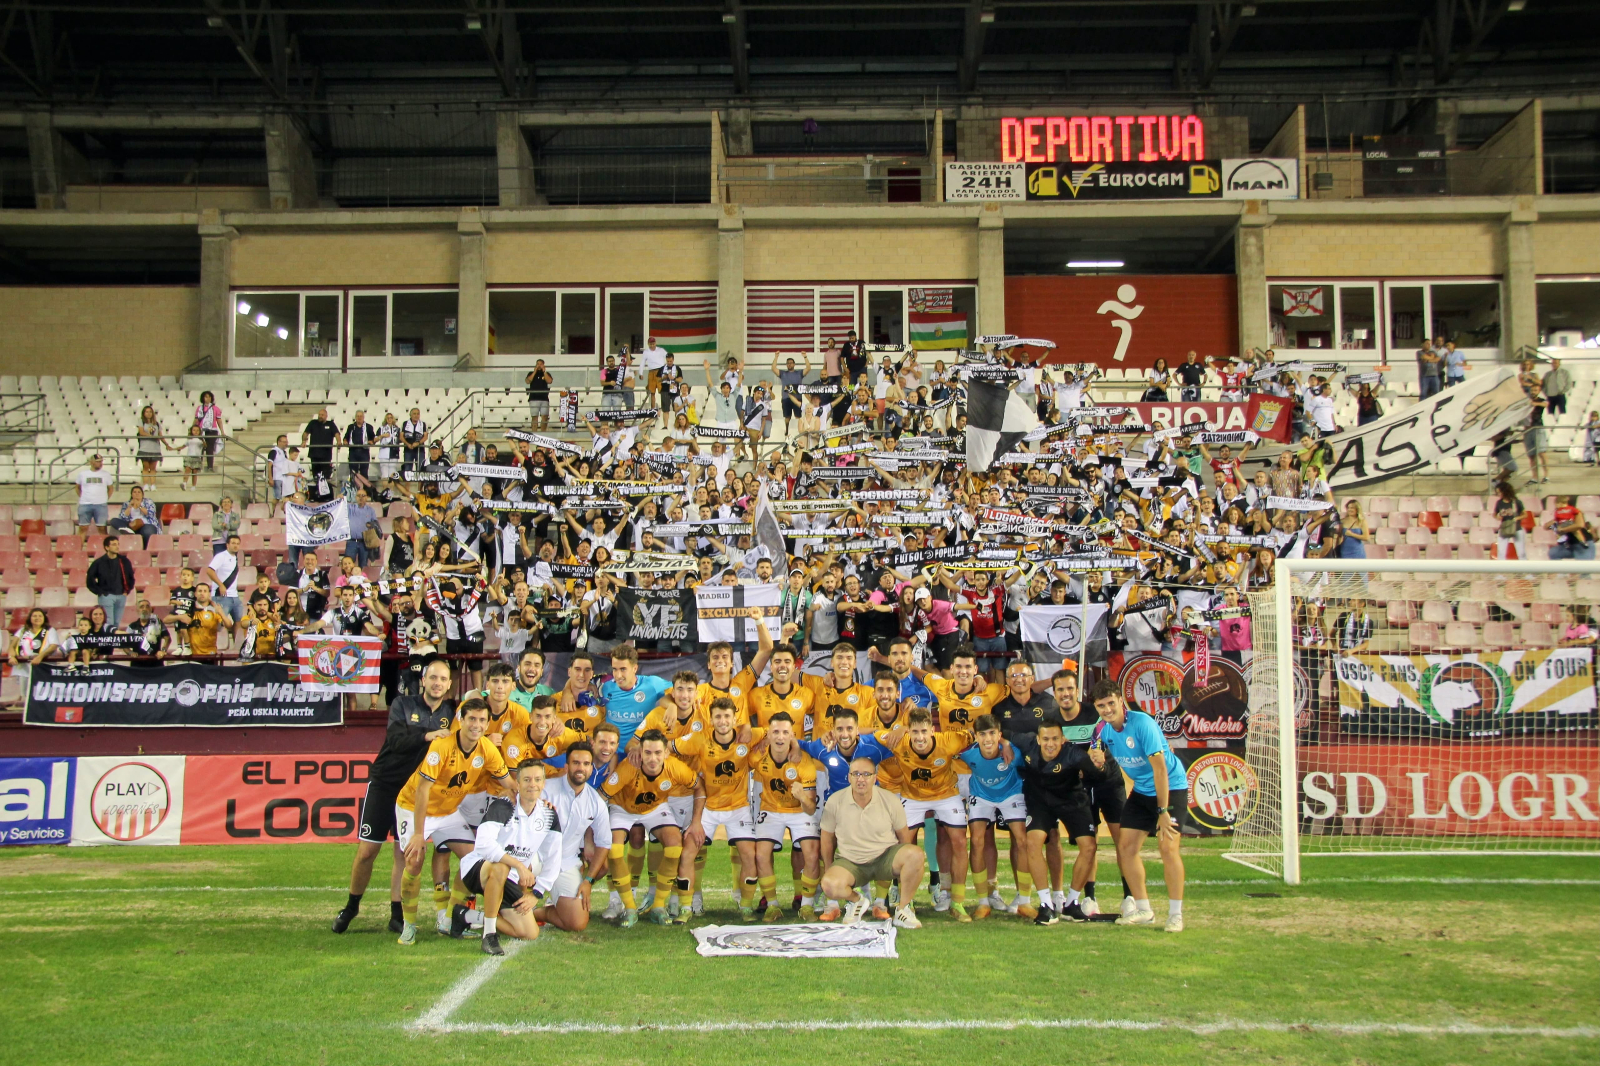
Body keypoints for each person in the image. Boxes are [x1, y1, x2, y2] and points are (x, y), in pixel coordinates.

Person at [332, 657, 456, 936]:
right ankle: (351, 906)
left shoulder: (453, 710)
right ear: (423, 680)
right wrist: (429, 735)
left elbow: (478, 706)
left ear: (449, 685)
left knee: (404, 853)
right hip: (385, 784)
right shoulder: (403, 704)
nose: (437, 683)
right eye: (432, 677)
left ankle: (396, 914)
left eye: (443, 679)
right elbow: (396, 738)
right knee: (367, 852)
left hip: (413, 793)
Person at [395, 696, 512, 944]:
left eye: (482, 720)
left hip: (448, 812)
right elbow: (422, 791)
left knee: (474, 861)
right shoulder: (441, 747)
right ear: (461, 719)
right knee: (414, 860)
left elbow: (509, 784)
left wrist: (535, 799)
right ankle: (409, 925)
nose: (476, 725)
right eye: (471, 719)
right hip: (413, 807)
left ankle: (447, 919)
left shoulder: (487, 750)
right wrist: (419, 834)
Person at [1088, 679, 1186, 932]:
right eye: (1101, 705)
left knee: (1168, 847)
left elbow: (1161, 770)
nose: (1107, 709)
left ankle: (1175, 914)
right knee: (1126, 847)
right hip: (1142, 790)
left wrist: (1162, 812)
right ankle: (1144, 909)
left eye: (1111, 703)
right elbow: (1107, 759)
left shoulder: (1143, 724)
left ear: (1120, 700)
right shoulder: (1105, 732)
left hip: (1170, 787)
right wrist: (1099, 760)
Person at [460, 759, 563, 956]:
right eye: (526, 779)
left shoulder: (549, 814)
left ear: (543, 784)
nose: (532, 784)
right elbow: (483, 844)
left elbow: (554, 858)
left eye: (537, 779)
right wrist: (518, 865)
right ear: (517, 783)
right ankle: (489, 935)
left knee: (529, 932)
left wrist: (537, 894)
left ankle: (467, 915)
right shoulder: (503, 806)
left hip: (510, 878)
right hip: (478, 870)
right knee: (500, 867)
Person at [601, 728, 699, 927]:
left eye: (657, 753)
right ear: (640, 752)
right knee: (615, 850)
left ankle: (658, 906)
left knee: (674, 846)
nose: (652, 758)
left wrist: (696, 820)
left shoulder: (675, 767)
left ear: (666, 753)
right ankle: (629, 908)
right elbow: (602, 795)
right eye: (647, 753)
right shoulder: (629, 766)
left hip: (655, 808)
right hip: (622, 808)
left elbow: (699, 786)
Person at [818, 755, 925, 930]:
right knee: (829, 884)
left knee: (915, 854)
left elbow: (904, 838)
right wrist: (830, 868)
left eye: (866, 774)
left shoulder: (890, 799)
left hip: (884, 858)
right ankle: (857, 901)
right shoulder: (835, 801)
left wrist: (906, 866)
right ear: (849, 777)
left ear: (875, 778)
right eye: (856, 774)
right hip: (850, 862)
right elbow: (827, 838)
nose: (861, 779)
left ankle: (903, 909)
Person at [962, 713, 1041, 921]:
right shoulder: (967, 754)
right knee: (977, 841)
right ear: (976, 736)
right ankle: (983, 902)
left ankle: (1024, 901)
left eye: (992, 734)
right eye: (982, 734)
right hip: (981, 795)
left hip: (1011, 794)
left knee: (1022, 840)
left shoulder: (1013, 753)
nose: (987, 739)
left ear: (999, 734)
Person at [748, 711, 821, 923]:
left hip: (799, 811)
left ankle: (807, 906)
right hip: (770, 808)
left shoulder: (804, 763)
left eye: (785, 732)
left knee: (812, 852)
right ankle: (772, 906)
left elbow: (810, 809)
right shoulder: (756, 757)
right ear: (768, 735)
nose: (780, 737)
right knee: (761, 854)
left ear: (793, 735)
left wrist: (802, 797)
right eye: (775, 732)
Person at [85, 534, 136, 631]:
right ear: (106, 547)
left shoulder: (124, 561)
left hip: (121, 595)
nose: (117, 546)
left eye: (117, 544)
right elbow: (90, 580)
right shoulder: (98, 562)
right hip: (106, 596)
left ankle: (112, 644)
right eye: (113, 544)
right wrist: (101, 592)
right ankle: (107, 644)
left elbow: (131, 577)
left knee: (116, 623)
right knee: (108, 622)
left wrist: (127, 591)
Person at [201, 532, 246, 633]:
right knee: (219, 623)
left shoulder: (235, 558)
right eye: (233, 543)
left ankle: (237, 647)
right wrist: (221, 585)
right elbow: (209, 571)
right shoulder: (221, 556)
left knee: (238, 622)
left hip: (234, 596)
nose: (236, 545)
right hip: (221, 596)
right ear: (227, 544)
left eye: (238, 543)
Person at [74, 453, 114, 535]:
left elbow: (110, 488)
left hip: (101, 504)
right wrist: (83, 497)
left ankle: (104, 547)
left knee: (102, 528)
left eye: (101, 461)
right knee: (83, 528)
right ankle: (79, 547)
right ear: (91, 462)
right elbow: (77, 487)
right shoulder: (83, 474)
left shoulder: (106, 474)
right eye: (98, 461)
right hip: (85, 504)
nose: (100, 463)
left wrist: (105, 498)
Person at [302, 407, 341, 484]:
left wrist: (339, 441)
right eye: (319, 414)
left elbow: (336, 433)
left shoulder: (330, 424)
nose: (320, 416)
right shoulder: (313, 423)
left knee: (325, 475)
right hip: (314, 453)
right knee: (315, 474)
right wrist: (303, 441)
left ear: (326, 416)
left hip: (326, 454)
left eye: (322, 415)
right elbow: (305, 433)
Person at [135, 404, 164, 492]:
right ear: (144, 413)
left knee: (153, 468)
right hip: (145, 448)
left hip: (155, 448)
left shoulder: (157, 424)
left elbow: (160, 436)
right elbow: (141, 432)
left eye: (150, 412)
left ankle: (153, 485)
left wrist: (167, 444)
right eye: (146, 412)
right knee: (145, 467)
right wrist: (151, 436)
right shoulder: (141, 421)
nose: (148, 413)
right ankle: (145, 485)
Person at [193, 390, 224, 471]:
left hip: (212, 430)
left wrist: (222, 431)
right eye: (205, 397)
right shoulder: (199, 408)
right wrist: (193, 429)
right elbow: (196, 420)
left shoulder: (215, 408)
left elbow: (219, 421)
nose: (207, 398)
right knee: (200, 449)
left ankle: (210, 466)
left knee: (210, 449)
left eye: (209, 397)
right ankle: (198, 466)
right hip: (201, 430)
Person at [345, 410, 376, 486]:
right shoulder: (351, 427)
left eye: (360, 416)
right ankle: (353, 490)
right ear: (355, 417)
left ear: (363, 417)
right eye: (357, 416)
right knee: (353, 472)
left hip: (364, 452)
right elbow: (346, 438)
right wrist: (345, 441)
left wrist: (371, 441)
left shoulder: (369, 427)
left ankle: (365, 491)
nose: (359, 418)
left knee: (364, 472)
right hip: (353, 451)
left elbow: (373, 438)